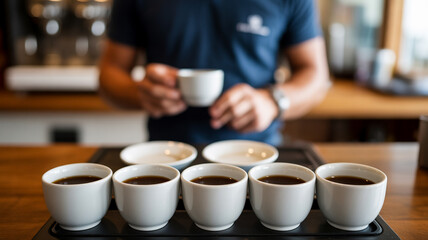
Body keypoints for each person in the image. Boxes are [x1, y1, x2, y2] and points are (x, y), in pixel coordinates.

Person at [99, 0, 330, 146]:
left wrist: (272, 101)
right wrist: (141, 93)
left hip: (257, 153)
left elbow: (316, 75)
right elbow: (109, 74)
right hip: (166, 156)